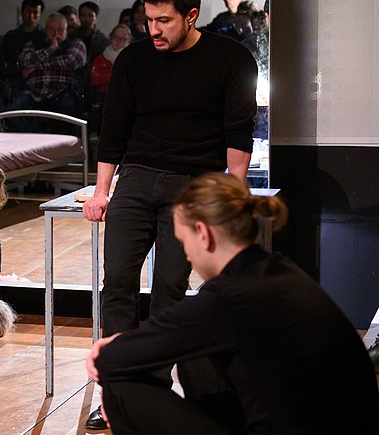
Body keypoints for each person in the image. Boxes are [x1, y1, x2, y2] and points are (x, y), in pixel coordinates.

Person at [82, 0, 257, 429]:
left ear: (191, 16)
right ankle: (118, 393)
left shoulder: (231, 59)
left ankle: (151, 393)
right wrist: (101, 191)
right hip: (137, 177)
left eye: (164, 21)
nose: (153, 29)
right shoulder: (133, 60)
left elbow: (238, 133)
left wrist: (233, 195)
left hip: (192, 183)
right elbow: (113, 129)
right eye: (149, 19)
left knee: (169, 291)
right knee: (118, 283)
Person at [87, 173, 379, 433]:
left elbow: (110, 361)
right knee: (198, 358)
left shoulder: (228, 298)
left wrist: (110, 348)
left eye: (183, 241)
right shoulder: (277, 268)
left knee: (119, 390)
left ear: (203, 234)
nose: (187, 254)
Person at [8, 13, 87, 128]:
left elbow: (71, 61)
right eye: (52, 29)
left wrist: (36, 67)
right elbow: (25, 61)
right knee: (14, 111)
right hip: (35, 92)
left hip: (62, 91)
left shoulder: (75, 43)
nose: (56, 34)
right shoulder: (33, 44)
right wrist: (50, 50)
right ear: (46, 30)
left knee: (67, 109)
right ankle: (34, 138)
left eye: (60, 29)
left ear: (66, 30)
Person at [88, 24, 132, 141]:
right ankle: (94, 134)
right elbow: (94, 79)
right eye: (116, 37)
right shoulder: (101, 58)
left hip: (125, 93)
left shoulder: (131, 59)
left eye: (122, 39)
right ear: (111, 38)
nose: (118, 41)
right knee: (97, 105)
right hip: (104, 93)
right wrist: (114, 77)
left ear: (128, 41)